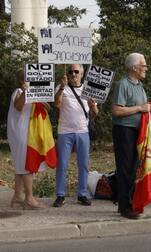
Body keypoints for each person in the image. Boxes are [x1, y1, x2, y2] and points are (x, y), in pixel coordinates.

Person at [111, 53, 151, 220]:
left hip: (138, 132)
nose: (146, 69)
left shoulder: (140, 86)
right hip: (124, 131)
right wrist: (140, 108)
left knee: (135, 168)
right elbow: (116, 110)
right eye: (143, 65)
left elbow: (143, 108)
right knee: (125, 169)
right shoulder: (122, 85)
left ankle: (131, 201)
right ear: (134, 67)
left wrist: (147, 109)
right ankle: (124, 206)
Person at [53, 64, 99, 208]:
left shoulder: (88, 89)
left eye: (76, 71)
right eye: (70, 71)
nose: (73, 74)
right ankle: (60, 195)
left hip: (82, 131)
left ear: (82, 73)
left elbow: (96, 113)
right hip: (65, 131)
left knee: (83, 164)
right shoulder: (62, 87)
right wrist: (61, 88)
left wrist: (93, 106)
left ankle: (82, 194)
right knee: (62, 164)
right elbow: (56, 104)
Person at [7, 69, 50, 209]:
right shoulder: (18, 92)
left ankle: (17, 196)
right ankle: (29, 198)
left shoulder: (34, 91)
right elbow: (18, 106)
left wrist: (42, 101)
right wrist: (26, 91)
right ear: (22, 81)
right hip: (21, 133)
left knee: (20, 164)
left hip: (28, 132)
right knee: (27, 165)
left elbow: (48, 107)